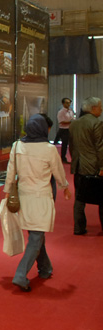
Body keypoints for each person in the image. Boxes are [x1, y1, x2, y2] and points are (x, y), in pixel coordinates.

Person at [4, 114, 71, 292]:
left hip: (23, 197)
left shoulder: (17, 146)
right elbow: (58, 172)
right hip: (41, 197)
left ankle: (45, 268)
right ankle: (20, 274)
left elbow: (10, 172)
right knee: (36, 236)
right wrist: (65, 187)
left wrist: (7, 192)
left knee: (36, 234)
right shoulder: (48, 149)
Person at [68, 96, 103, 235]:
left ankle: (78, 227)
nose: (101, 109)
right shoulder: (97, 123)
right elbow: (100, 148)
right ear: (93, 108)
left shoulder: (74, 124)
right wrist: (102, 167)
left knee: (79, 198)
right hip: (93, 166)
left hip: (78, 165)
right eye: (100, 106)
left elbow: (71, 146)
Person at [55, 97, 75, 163]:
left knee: (71, 144)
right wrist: (71, 122)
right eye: (67, 103)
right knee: (64, 145)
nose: (68, 104)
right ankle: (63, 158)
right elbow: (61, 122)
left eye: (69, 103)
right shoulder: (61, 112)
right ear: (63, 103)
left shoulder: (71, 111)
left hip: (70, 129)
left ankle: (73, 158)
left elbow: (72, 119)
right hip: (63, 130)